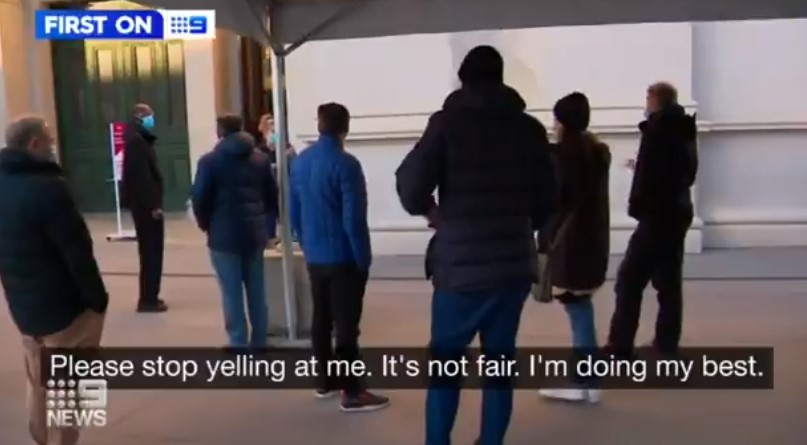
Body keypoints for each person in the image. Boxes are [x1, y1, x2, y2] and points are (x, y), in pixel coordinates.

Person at [395, 46, 556, 445]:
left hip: (461, 267)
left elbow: (411, 185)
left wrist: (432, 212)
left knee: (446, 363)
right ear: (502, 79)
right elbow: (548, 199)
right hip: (513, 267)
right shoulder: (530, 130)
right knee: (500, 363)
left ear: (463, 80)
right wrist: (520, 226)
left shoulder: (447, 125)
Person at [0, 116, 108, 445]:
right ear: (34, 144)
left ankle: (40, 435)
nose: (52, 145)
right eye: (48, 139)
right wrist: (97, 300)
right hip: (65, 308)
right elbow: (78, 253)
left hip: (24, 306)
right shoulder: (49, 189)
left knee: (38, 379)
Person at [289, 102, 389, 413]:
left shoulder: (301, 162)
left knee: (321, 320)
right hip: (343, 256)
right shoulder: (346, 165)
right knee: (346, 325)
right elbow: (353, 220)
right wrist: (363, 259)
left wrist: (305, 243)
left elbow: (294, 211)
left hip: (315, 254)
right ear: (345, 127)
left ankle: (325, 380)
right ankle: (352, 391)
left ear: (319, 125)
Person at [607, 82, 698, 356]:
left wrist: (640, 203)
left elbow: (655, 177)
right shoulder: (683, 128)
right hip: (677, 211)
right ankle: (666, 342)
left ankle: (620, 345)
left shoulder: (658, 130)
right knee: (668, 281)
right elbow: (683, 171)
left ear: (654, 99)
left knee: (629, 279)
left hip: (658, 215)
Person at [536, 92, 611, 404]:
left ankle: (586, 381)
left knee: (578, 313)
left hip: (569, 247)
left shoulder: (563, 158)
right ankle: (587, 378)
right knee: (582, 310)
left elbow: (553, 203)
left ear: (561, 121)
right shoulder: (595, 152)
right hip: (592, 245)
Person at [191, 114, 278, 348]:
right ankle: (260, 339)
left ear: (220, 131)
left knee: (231, 292)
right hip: (254, 233)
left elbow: (200, 199)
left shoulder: (209, 162)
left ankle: (238, 340)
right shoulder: (260, 160)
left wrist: (206, 225)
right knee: (257, 290)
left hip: (223, 235)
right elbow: (272, 197)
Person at [121, 103, 167, 313]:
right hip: (146, 207)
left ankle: (151, 294)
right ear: (140, 116)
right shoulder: (137, 142)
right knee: (151, 251)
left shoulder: (137, 139)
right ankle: (149, 298)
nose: (152, 119)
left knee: (150, 251)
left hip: (143, 205)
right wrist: (153, 205)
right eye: (150, 115)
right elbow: (142, 178)